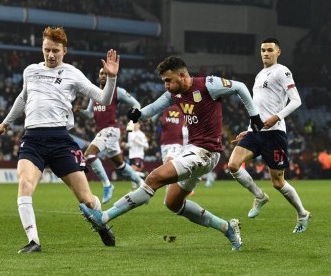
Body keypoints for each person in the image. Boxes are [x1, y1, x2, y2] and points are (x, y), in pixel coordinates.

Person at [79, 55, 265, 250]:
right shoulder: (173, 94)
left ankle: (105, 216)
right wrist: (139, 114)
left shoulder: (208, 84)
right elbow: (153, 107)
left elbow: (240, 87)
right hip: (193, 151)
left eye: (168, 80)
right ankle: (227, 227)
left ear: (183, 76)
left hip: (206, 152)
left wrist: (254, 115)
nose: (166, 85)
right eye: (164, 81)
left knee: (153, 178)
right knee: (173, 203)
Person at [0, 26, 119, 253]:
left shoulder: (72, 73)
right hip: (32, 139)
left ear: (64, 50)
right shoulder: (30, 71)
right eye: (47, 50)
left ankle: (101, 224)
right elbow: (23, 97)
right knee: (24, 184)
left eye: (55, 51)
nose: (50, 55)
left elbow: (104, 99)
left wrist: (111, 78)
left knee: (86, 200)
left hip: (60, 140)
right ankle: (34, 241)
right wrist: (6, 123)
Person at [227, 38, 311, 233]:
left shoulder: (282, 71)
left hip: (275, 134)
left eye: (270, 50)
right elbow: (259, 108)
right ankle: (259, 196)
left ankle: (302, 213)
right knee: (232, 165)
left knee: (278, 182)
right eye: (263, 50)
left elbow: (296, 100)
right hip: (256, 132)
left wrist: (277, 116)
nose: (266, 53)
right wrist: (249, 129)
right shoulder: (260, 75)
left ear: (278, 52)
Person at [76, 68, 146, 204]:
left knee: (89, 155)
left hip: (111, 130)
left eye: (106, 74)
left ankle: (107, 185)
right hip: (102, 132)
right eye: (101, 73)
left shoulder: (117, 91)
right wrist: (80, 111)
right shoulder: (94, 94)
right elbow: (90, 114)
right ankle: (142, 184)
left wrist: (132, 123)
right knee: (120, 165)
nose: (103, 76)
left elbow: (136, 104)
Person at [121, 121, 149, 189]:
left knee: (132, 170)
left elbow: (146, 146)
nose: (135, 125)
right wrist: (125, 145)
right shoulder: (131, 133)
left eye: (137, 124)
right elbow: (130, 145)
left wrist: (138, 142)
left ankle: (136, 184)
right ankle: (136, 184)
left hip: (138, 155)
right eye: (134, 124)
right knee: (132, 171)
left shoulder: (141, 134)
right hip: (131, 155)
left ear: (139, 125)